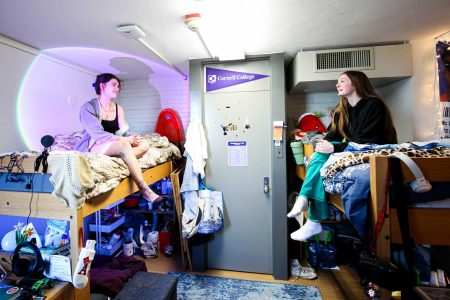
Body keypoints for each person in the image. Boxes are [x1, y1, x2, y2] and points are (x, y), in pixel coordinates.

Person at [287, 70, 398, 241]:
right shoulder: (342, 110)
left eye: (342, 81)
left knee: (323, 157)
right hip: (353, 150)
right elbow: (332, 136)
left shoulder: (374, 105)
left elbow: (369, 141)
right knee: (319, 156)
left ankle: (310, 213)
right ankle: (305, 203)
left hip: (372, 150)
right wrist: (324, 144)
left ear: (355, 83)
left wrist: (335, 148)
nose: (337, 84)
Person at [74, 73, 163, 203]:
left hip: (114, 144)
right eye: (114, 85)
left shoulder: (118, 108)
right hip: (95, 144)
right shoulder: (88, 107)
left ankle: (124, 155)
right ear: (102, 85)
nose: (117, 88)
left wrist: (131, 136)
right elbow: (97, 134)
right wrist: (123, 140)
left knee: (144, 144)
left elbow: (123, 131)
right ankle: (144, 189)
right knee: (123, 145)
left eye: (118, 86)